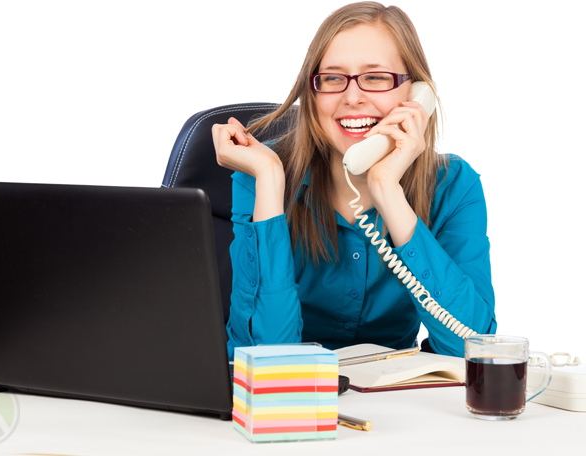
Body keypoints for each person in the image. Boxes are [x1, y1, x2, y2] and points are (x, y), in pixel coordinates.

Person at [212, 1, 496, 360]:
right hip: (291, 405)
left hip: (398, 406)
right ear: (311, 94)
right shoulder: (260, 174)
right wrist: (270, 179)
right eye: (332, 78)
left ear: (416, 94)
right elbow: (265, 358)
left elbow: (472, 348)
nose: (352, 97)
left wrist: (387, 189)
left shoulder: (454, 185)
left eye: (375, 77)